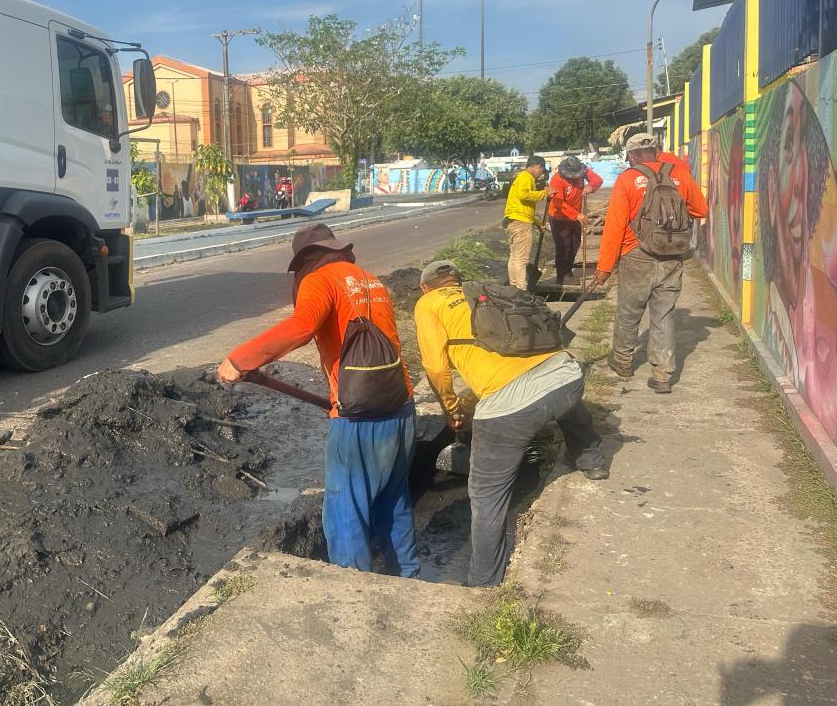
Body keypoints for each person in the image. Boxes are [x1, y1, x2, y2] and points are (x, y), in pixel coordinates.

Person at [217, 223, 418, 577]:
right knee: (394, 501)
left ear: (306, 260)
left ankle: (351, 592)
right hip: (402, 409)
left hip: (358, 418)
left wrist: (239, 359)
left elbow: (301, 326)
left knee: (346, 510)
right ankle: (409, 579)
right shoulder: (370, 280)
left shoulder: (320, 279)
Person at [414, 260, 608, 587]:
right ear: (457, 280)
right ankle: (592, 459)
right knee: (565, 407)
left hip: (511, 410)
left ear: (425, 288)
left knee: (486, 493)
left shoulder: (428, 304)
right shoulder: (484, 292)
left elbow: (435, 368)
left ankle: (484, 580)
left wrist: (451, 409)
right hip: (568, 378)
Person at [594, 133, 708, 394]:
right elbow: (701, 210)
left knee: (629, 311)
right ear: (656, 151)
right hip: (672, 258)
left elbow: (615, 226)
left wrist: (604, 267)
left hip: (636, 254)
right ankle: (663, 375)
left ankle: (622, 361)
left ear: (632, 156)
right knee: (664, 315)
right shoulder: (679, 175)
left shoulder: (628, 179)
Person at [548, 156, 603, 284]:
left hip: (576, 215)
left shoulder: (582, 170)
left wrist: (590, 186)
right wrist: (576, 215)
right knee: (564, 246)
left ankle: (568, 270)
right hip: (559, 217)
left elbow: (597, 180)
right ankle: (562, 275)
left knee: (575, 244)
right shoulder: (557, 179)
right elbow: (558, 203)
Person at [503, 155, 549, 289]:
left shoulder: (521, 177)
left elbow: (524, 208)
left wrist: (537, 223)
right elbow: (524, 195)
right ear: (538, 167)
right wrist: (544, 193)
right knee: (522, 259)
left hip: (513, 221)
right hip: (520, 224)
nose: (541, 174)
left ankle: (514, 287)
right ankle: (522, 289)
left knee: (515, 257)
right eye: (541, 171)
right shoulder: (526, 177)